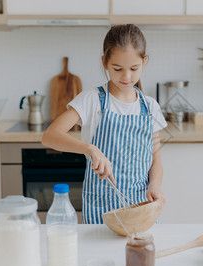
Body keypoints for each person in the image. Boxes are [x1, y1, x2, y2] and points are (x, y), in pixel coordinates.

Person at [42, 24, 167, 224]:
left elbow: (156, 159)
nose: (126, 77)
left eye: (134, 68)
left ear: (144, 62)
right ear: (105, 62)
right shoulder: (91, 99)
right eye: (117, 69)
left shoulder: (150, 106)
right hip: (101, 210)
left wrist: (155, 186)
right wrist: (90, 149)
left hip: (140, 207)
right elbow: (50, 136)